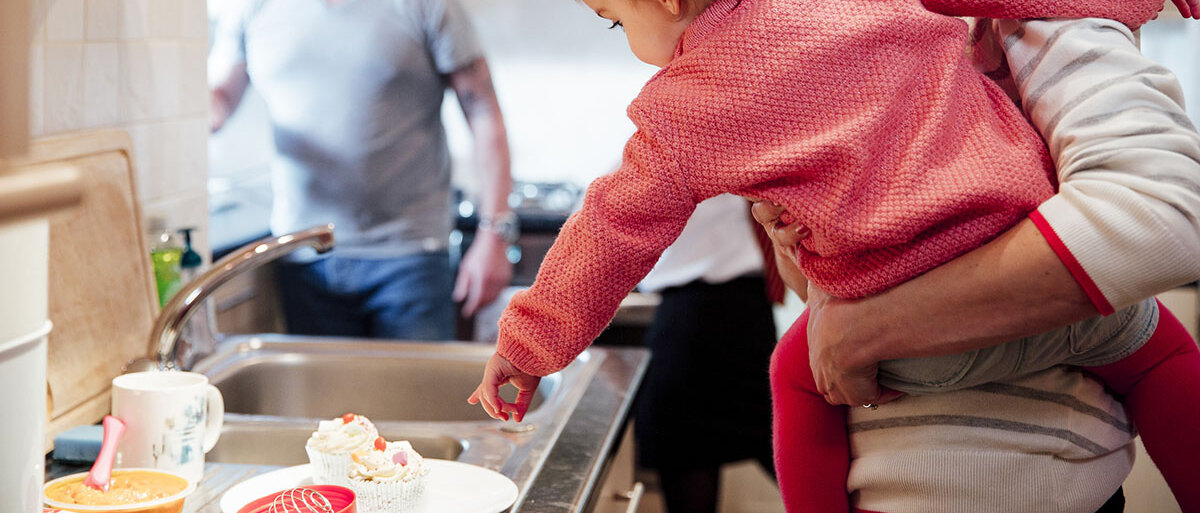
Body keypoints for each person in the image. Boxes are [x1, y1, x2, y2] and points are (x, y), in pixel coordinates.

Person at [464, 0, 1200, 510]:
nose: (624, 42)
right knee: (1163, 348)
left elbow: (609, 231)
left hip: (915, 359)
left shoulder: (681, 109)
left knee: (796, 369)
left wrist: (528, 345)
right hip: (1046, 278)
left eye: (614, 22)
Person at [756, 11, 1200, 513]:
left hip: (1028, 437)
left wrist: (857, 318)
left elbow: (1159, 215)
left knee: (795, 368)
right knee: (1163, 354)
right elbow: (802, 280)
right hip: (1023, 274)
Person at [208, 0, 514, 340]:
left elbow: (485, 114)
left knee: (414, 394)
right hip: (303, 255)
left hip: (411, 258)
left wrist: (495, 234)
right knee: (323, 395)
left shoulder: (429, 6)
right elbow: (218, 102)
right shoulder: (252, 9)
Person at [634, 194, 778, 513]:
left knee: (787, 445)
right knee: (692, 453)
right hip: (731, 310)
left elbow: (593, 215)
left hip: (703, 315)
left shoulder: (668, 149)